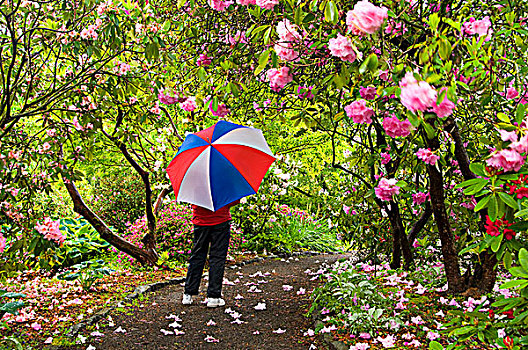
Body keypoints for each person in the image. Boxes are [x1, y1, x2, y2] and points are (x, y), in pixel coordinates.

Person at [182, 200, 240, 308]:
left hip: (200, 220)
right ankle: (213, 296)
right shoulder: (225, 182)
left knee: (197, 256)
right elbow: (235, 200)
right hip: (221, 219)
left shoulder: (195, 182)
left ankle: (188, 294)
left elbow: (190, 199)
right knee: (218, 257)